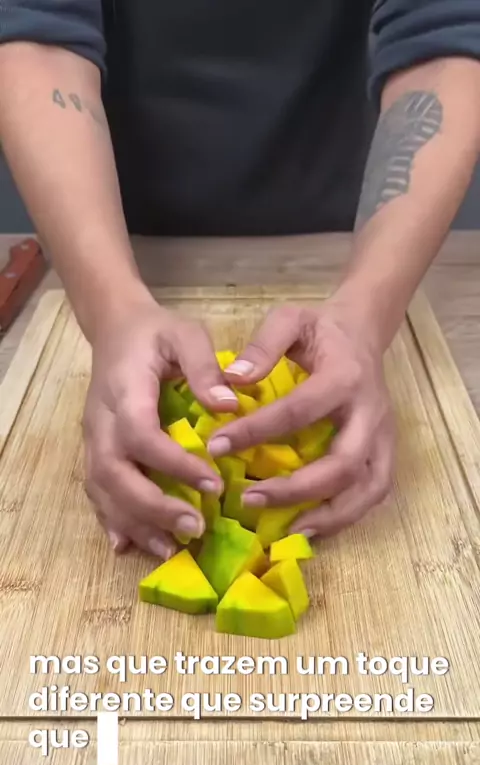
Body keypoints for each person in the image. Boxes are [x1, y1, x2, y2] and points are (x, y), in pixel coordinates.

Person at [0, 2, 479, 561]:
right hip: (115, 226)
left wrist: (367, 314)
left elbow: (443, 34)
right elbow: (39, 35)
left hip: (342, 233)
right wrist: (113, 313)